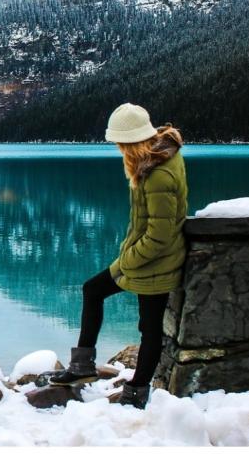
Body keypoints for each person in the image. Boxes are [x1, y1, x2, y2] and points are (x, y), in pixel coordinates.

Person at [49, 103, 187, 409]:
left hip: (156, 263)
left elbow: (159, 236)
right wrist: (128, 255)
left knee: (150, 329)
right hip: (142, 258)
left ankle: (136, 392)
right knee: (93, 289)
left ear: (133, 141)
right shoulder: (155, 160)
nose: (118, 149)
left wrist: (126, 260)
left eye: (121, 143)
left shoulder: (158, 175)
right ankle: (83, 366)